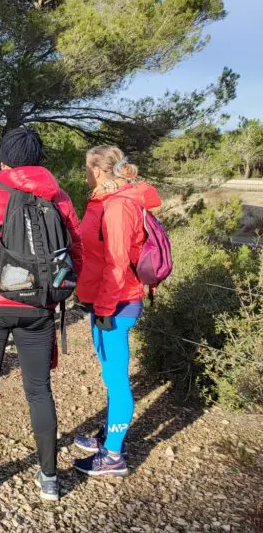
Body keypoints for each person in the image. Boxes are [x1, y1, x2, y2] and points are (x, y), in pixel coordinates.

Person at [0, 127, 83, 502]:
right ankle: (50, 478)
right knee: (39, 390)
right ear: (39, 161)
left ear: (3, 160)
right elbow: (76, 253)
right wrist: (58, 294)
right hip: (39, 306)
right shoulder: (59, 198)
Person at [72, 146, 161, 478]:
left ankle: (113, 456)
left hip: (117, 303)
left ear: (96, 170)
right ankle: (109, 436)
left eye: (86, 169)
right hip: (105, 300)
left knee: (117, 379)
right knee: (111, 374)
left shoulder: (118, 207)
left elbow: (118, 263)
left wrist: (105, 307)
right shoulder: (107, 201)